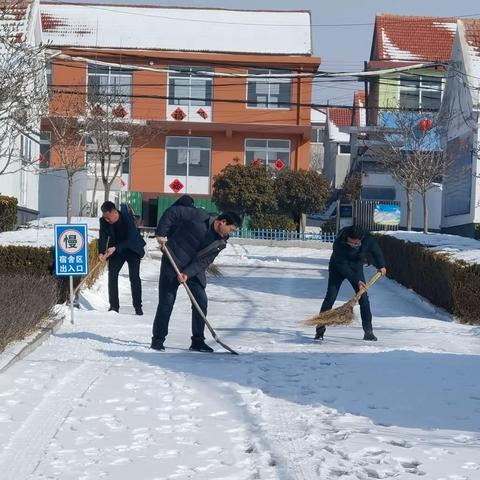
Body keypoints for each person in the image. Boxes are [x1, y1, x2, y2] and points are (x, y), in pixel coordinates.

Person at [151, 201, 241, 352]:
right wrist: (161, 233)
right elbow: (173, 212)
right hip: (173, 259)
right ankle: (158, 340)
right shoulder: (199, 216)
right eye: (230, 229)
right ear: (222, 221)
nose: (229, 233)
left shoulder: (220, 242)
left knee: (201, 301)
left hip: (193, 269)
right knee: (167, 301)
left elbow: (205, 261)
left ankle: (197, 341)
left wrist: (187, 273)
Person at [316, 225, 387, 341]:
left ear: (361, 239)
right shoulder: (339, 242)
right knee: (330, 297)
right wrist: (357, 281)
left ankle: (368, 331)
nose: (352, 245)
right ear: (347, 237)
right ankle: (320, 329)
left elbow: (376, 250)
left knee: (363, 298)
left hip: (356, 268)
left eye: (355, 244)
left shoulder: (367, 239)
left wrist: (381, 265)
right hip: (338, 268)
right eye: (350, 243)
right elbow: (343, 266)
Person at [99, 201, 146, 315]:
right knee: (112, 275)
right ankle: (114, 307)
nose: (107, 220)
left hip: (132, 248)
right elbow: (103, 237)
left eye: (108, 217)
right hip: (117, 250)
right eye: (105, 217)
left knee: (134, 278)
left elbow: (131, 238)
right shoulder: (103, 221)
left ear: (114, 212)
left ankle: (138, 307)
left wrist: (115, 248)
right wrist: (101, 252)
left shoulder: (127, 217)